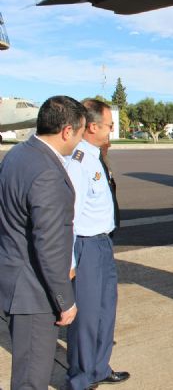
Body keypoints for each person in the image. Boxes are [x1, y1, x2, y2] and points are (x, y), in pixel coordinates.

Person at [0, 95, 85, 389]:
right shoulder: (47, 172)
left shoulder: (18, 154)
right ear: (67, 131)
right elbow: (48, 245)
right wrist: (65, 300)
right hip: (33, 293)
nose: (78, 142)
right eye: (80, 133)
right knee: (31, 379)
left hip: (14, 280)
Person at [65, 99, 129, 389]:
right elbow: (70, 214)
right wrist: (70, 262)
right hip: (86, 245)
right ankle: (80, 379)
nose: (111, 130)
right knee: (86, 317)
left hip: (103, 244)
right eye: (109, 125)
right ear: (92, 127)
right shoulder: (78, 160)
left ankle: (100, 368)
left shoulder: (95, 157)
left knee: (105, 310)